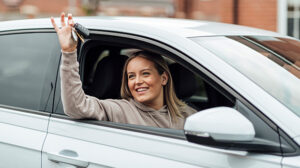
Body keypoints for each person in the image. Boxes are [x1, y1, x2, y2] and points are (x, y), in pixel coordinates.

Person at [51, 13, 196, 129]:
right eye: (131, 76)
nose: (137, 81)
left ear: (163, 78)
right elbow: (76, 107)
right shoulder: (121, 110)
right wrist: (69, 52)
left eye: (145, 73)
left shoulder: (188, 116)